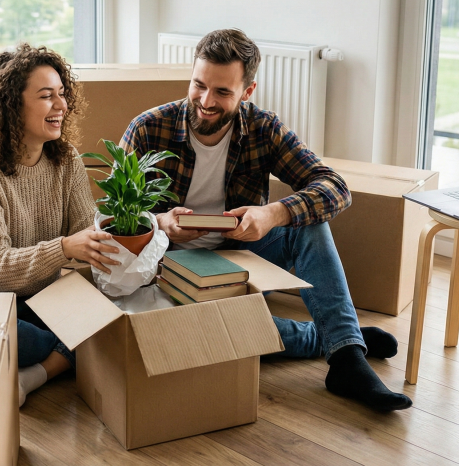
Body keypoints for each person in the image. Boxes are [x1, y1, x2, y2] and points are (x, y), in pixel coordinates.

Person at [121, 29, 412, 412]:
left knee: (307, 220)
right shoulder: (148, 128)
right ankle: (338, 338)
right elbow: (114, 215)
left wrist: (274, 212)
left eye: (223, 92)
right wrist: (160, 222)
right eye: (199, 85)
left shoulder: (263, 128)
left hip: (241, 257)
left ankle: (345, 363)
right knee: (194, 331)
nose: (206, 101)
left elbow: (335, 188)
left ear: (248, 91)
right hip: (170, 269)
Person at [0, 44, 120, 407]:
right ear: (12, 105)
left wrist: (136, 232)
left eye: (61, 94)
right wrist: (64, 248)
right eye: (45, 96)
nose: (61, 105)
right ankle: (50, 360)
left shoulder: (66, 158)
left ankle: (31, 377)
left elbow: (86, 228)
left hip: (36, 295)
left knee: (105, 321)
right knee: (45, 339)